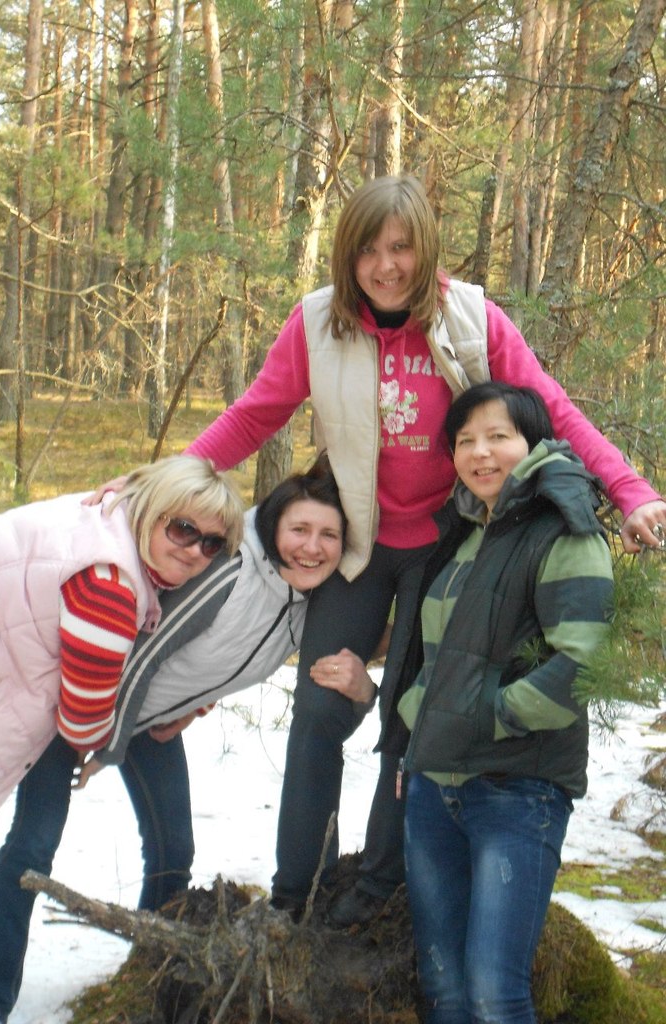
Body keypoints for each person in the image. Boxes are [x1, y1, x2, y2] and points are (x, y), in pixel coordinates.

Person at [87, 174, 666, 926]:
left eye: (400, 248)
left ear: (425, 248)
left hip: (447, 551)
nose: (385, 266)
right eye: (367, 250)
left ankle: (378, 889)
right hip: (359, 548)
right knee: (320, 712)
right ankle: (297, 893)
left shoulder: (471, 318)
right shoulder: (318, 322)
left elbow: (550, 408)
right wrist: (161, 485)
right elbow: (255, 414)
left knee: (410, 724)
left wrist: (629, 489)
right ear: (347, 255)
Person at [0, 457, 373, 1024]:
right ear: (273, 526)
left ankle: (147, 971)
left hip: (146, 723)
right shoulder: (233, 573)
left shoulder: (306, 608)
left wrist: (197, 706)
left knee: (173, 849)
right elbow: (145, 656)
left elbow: (226, 662)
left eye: (328, 535)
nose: (312, 547)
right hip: (79, 703)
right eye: (299, 529)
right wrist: (101, 741)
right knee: (34, 844)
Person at [0, 456, 245, 1024]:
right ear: (152, 511)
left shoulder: (109, 521)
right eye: (183, 529)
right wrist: (110, 731)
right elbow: (82, 722)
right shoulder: (110, 586)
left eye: (211, 544)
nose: (193, 551)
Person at [380, 381, 615, 1023]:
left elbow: (582, 664)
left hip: (517, 789)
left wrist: (490, 717)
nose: (480, 453)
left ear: (533, 443)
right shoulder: (463, 534)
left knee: (494, 993)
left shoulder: (564, 530)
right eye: (465, 441)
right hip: (434, 786)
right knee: (444, 989)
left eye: (497, 436)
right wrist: (418, 732)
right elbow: (436, 658)